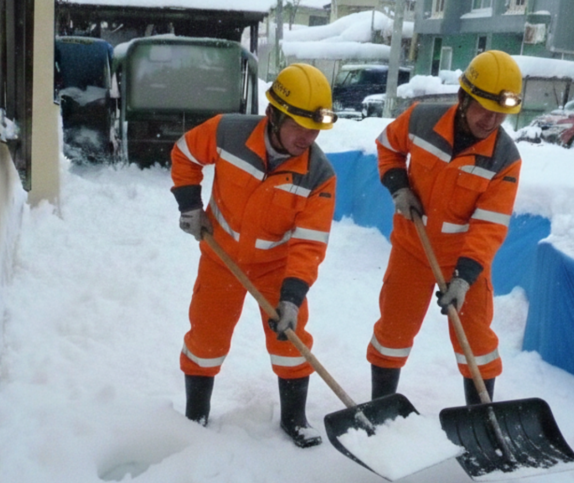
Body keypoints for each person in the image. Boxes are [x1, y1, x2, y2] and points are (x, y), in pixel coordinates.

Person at [169, 63, 338, 448]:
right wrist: (190, 204)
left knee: (290, 339)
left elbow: (309, 242)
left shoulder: (318, 174)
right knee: (206, 337)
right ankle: (196, 414)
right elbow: (184, 154)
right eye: (298, 125)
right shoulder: (229, 132)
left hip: (276, 266)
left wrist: (292, 298)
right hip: (221, 253)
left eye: (314, 130)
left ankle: (294, 418)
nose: (306, 137)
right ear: (274, 114)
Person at [366, 50, 523, 406]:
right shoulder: (422, 120)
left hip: (462, 260)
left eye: (501, 112)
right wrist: (398, 185)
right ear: (463, 98)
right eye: (484, 107)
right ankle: (381, 407)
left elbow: (490, 224)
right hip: (413, 248)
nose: (492, 119)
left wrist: (465, 277)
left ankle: (482, 417)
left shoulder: (504, 158)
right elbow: (388, 146)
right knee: (392, 333)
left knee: (478, 343)